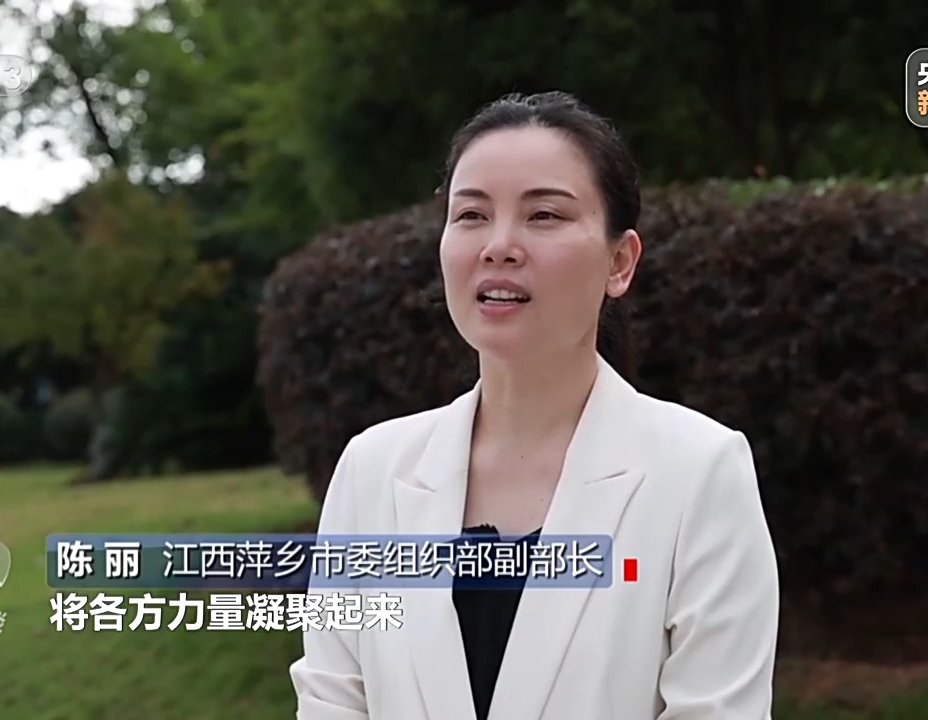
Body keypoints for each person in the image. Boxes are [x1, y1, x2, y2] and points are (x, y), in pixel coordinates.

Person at [289, 91, 779, 720]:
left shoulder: (699, 471)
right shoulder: (372, 471)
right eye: (471, 215)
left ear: (620, 262)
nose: (499, 246)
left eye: (544, 215)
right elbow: (333, 699)